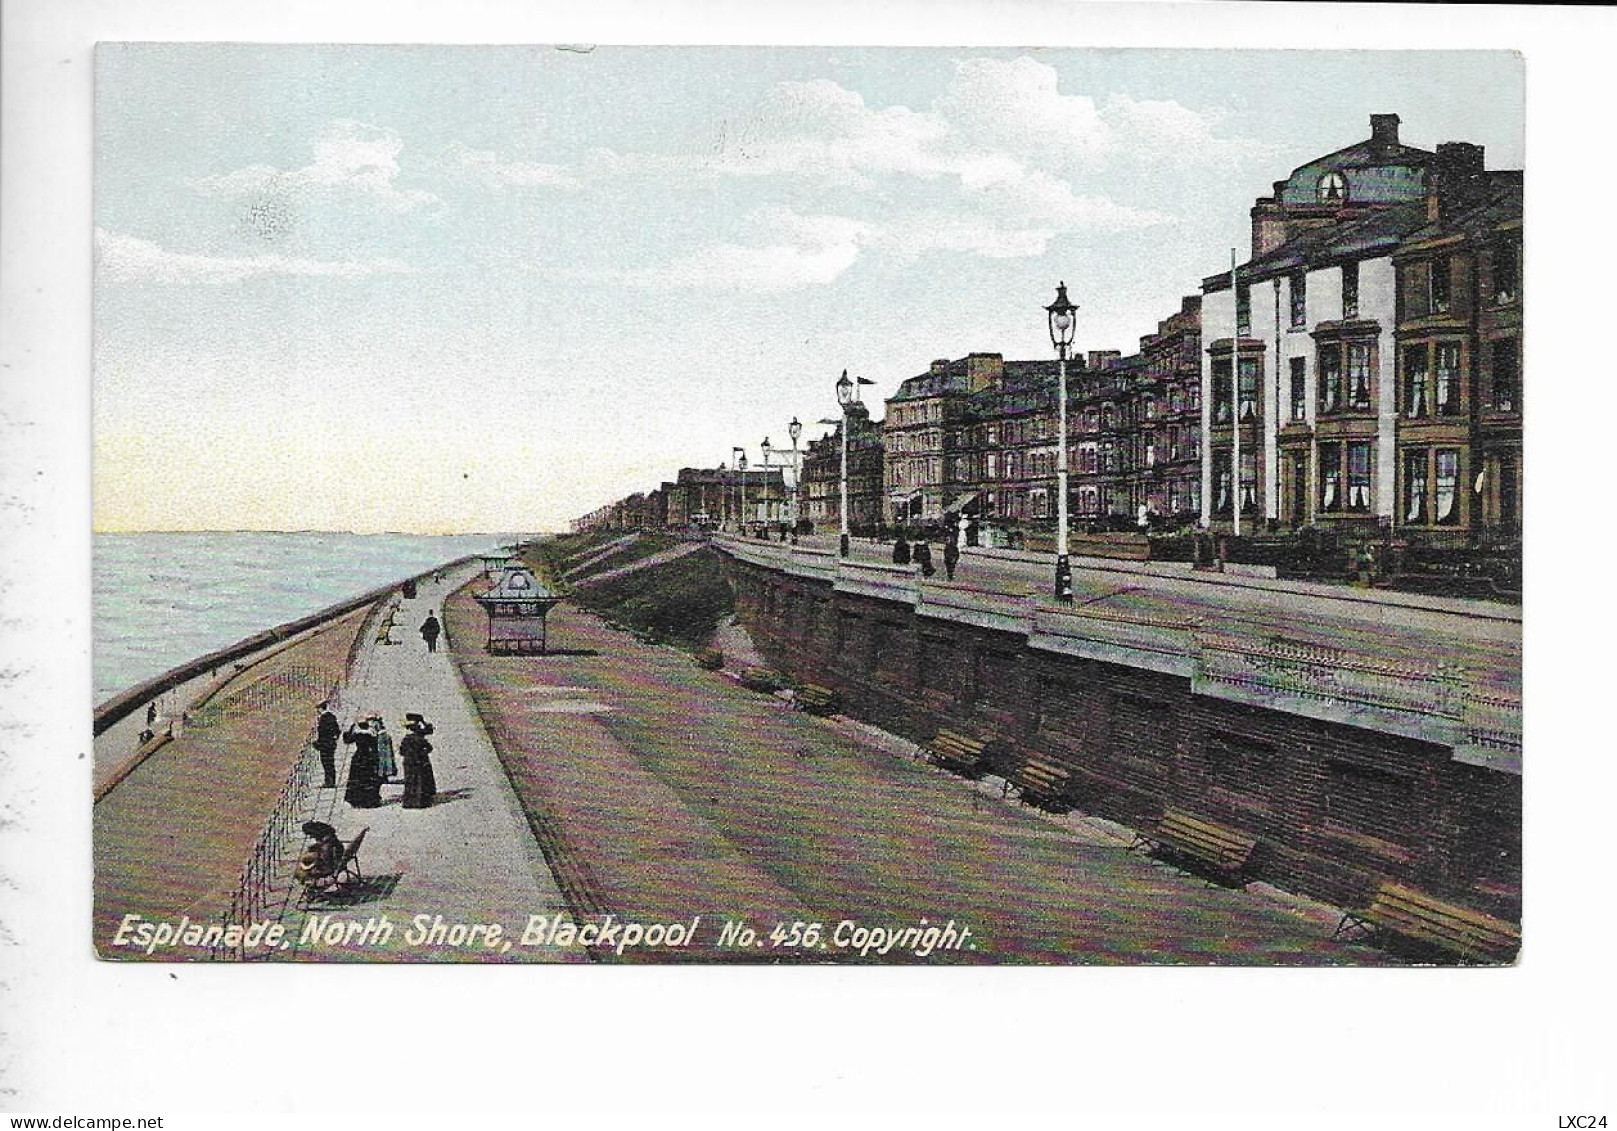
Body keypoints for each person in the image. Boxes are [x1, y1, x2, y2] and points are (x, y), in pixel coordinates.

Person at [342, 719, 384, 808]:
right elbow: (376, 749)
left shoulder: (357, 735)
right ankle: (369, 800)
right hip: (368, 759)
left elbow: (347, 740)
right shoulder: (371, 735)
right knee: (368, 779)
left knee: (357, 779)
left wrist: (350, 729)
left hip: (358, 758)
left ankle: (356, 800)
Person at [400, 714, 437, 810]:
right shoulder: (420, 738)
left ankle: (409, 801)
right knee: (420, 780)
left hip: (409, 762)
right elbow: (429, 748)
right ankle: (420, 801)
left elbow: (401, 751)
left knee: (410, 781)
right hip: (420, 760)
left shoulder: (406, 739)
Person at [294, 821, 344, 886]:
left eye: (311, 834)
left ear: (317, 834)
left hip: (329, 868)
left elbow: (327, 863)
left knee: (300, 873)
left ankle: (313, 884)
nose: (311, 837)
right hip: (334, 862)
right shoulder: (331, 839)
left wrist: (315, 863)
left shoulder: (327, 847)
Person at [314, 701, 341, 788]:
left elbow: (322, 733)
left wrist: (319, 742)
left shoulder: (323, 718)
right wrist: (334, 739)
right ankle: (331, 780)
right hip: (331, 744)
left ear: (321, 708)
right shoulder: (332, 717)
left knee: (326, 763)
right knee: (330, 762)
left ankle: (329, 782)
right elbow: (338, 731)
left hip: (325, 745)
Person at [371, 715, 398, 783]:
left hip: (382, 748)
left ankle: (382, 774)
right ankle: (384, 774)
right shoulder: (384, 733)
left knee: (382, 759)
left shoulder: (376, 726)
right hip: (383, 748)